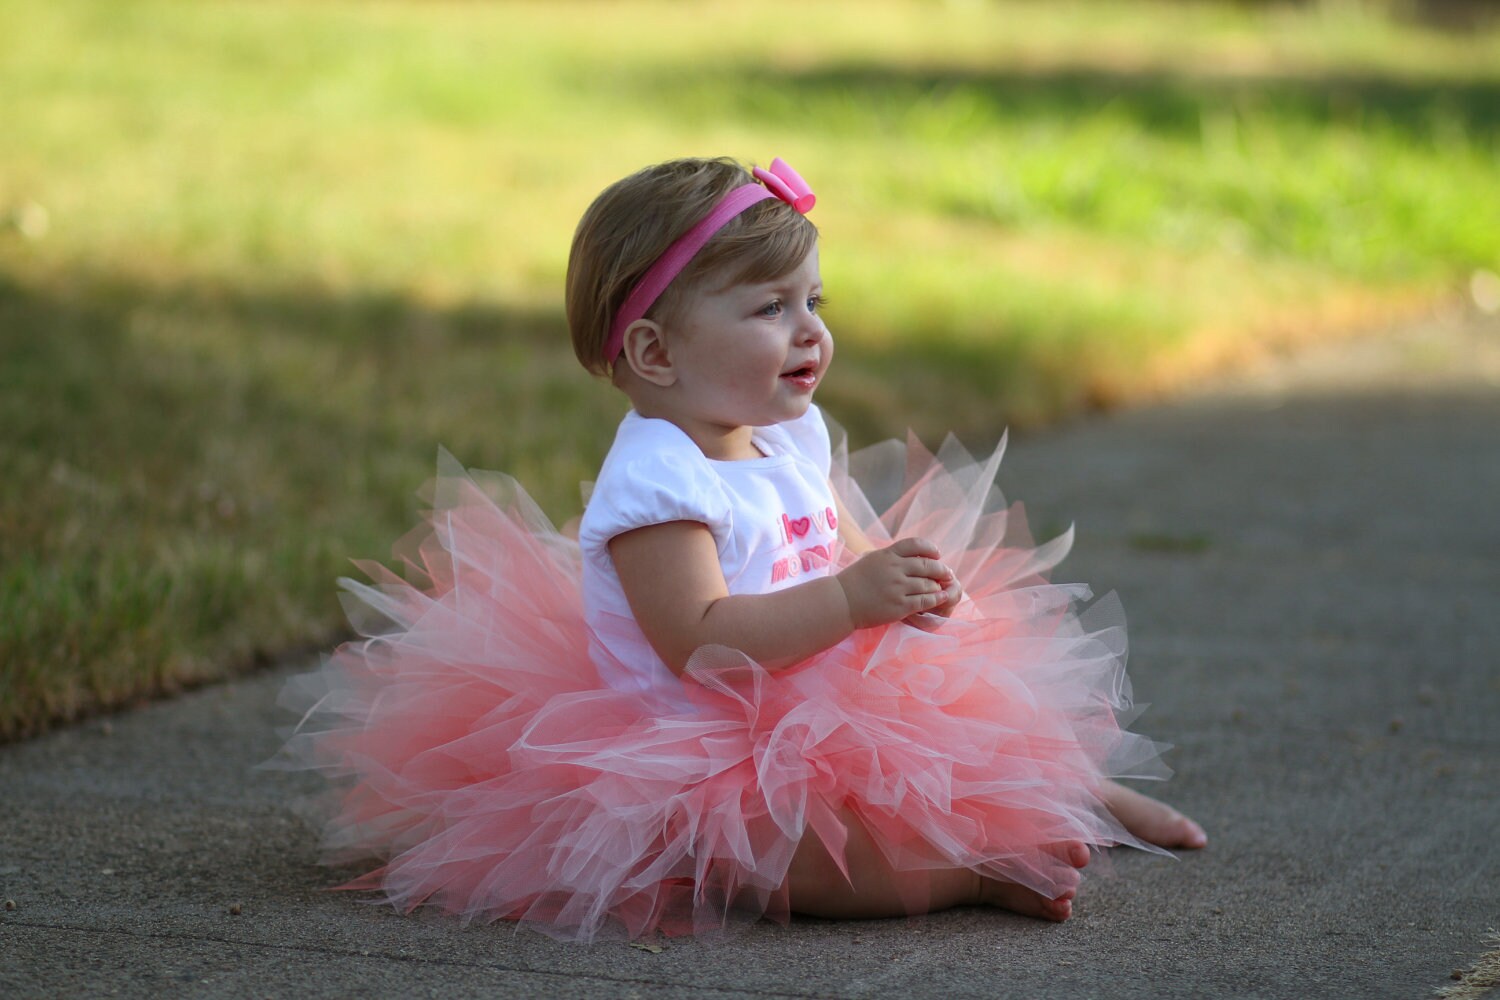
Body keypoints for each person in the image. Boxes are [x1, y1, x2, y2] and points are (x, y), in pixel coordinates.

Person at [273, 155, 1206, 943]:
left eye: (814, 301)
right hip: (699, 735)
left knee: (980, 696)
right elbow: (702, 643)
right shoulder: (657, 487)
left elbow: (832, 538)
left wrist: (890, 579)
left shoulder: (781, 431)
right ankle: (965, 875)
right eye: (769, 309)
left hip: (819, 678)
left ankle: (1089, 798)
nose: (811, 331)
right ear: (656, 352)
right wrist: (848, 602)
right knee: (782, 857)